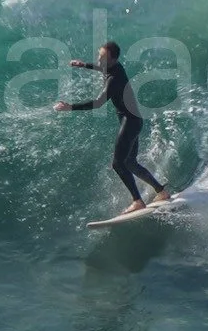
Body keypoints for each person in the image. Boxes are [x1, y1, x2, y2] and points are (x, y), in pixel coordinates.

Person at [55, 42, 171, 214]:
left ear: (114, 60)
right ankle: (161, 191)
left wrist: (70, 107)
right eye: (99, 56)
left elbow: (98, 103)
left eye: (103, 58)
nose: (99, 60)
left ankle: (137, 201)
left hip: (130, 122)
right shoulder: (114, 67)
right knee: (130, 163)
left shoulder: (114, 79)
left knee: (118, 164)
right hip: (134, 120)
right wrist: (84, 65)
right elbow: (102, 68)